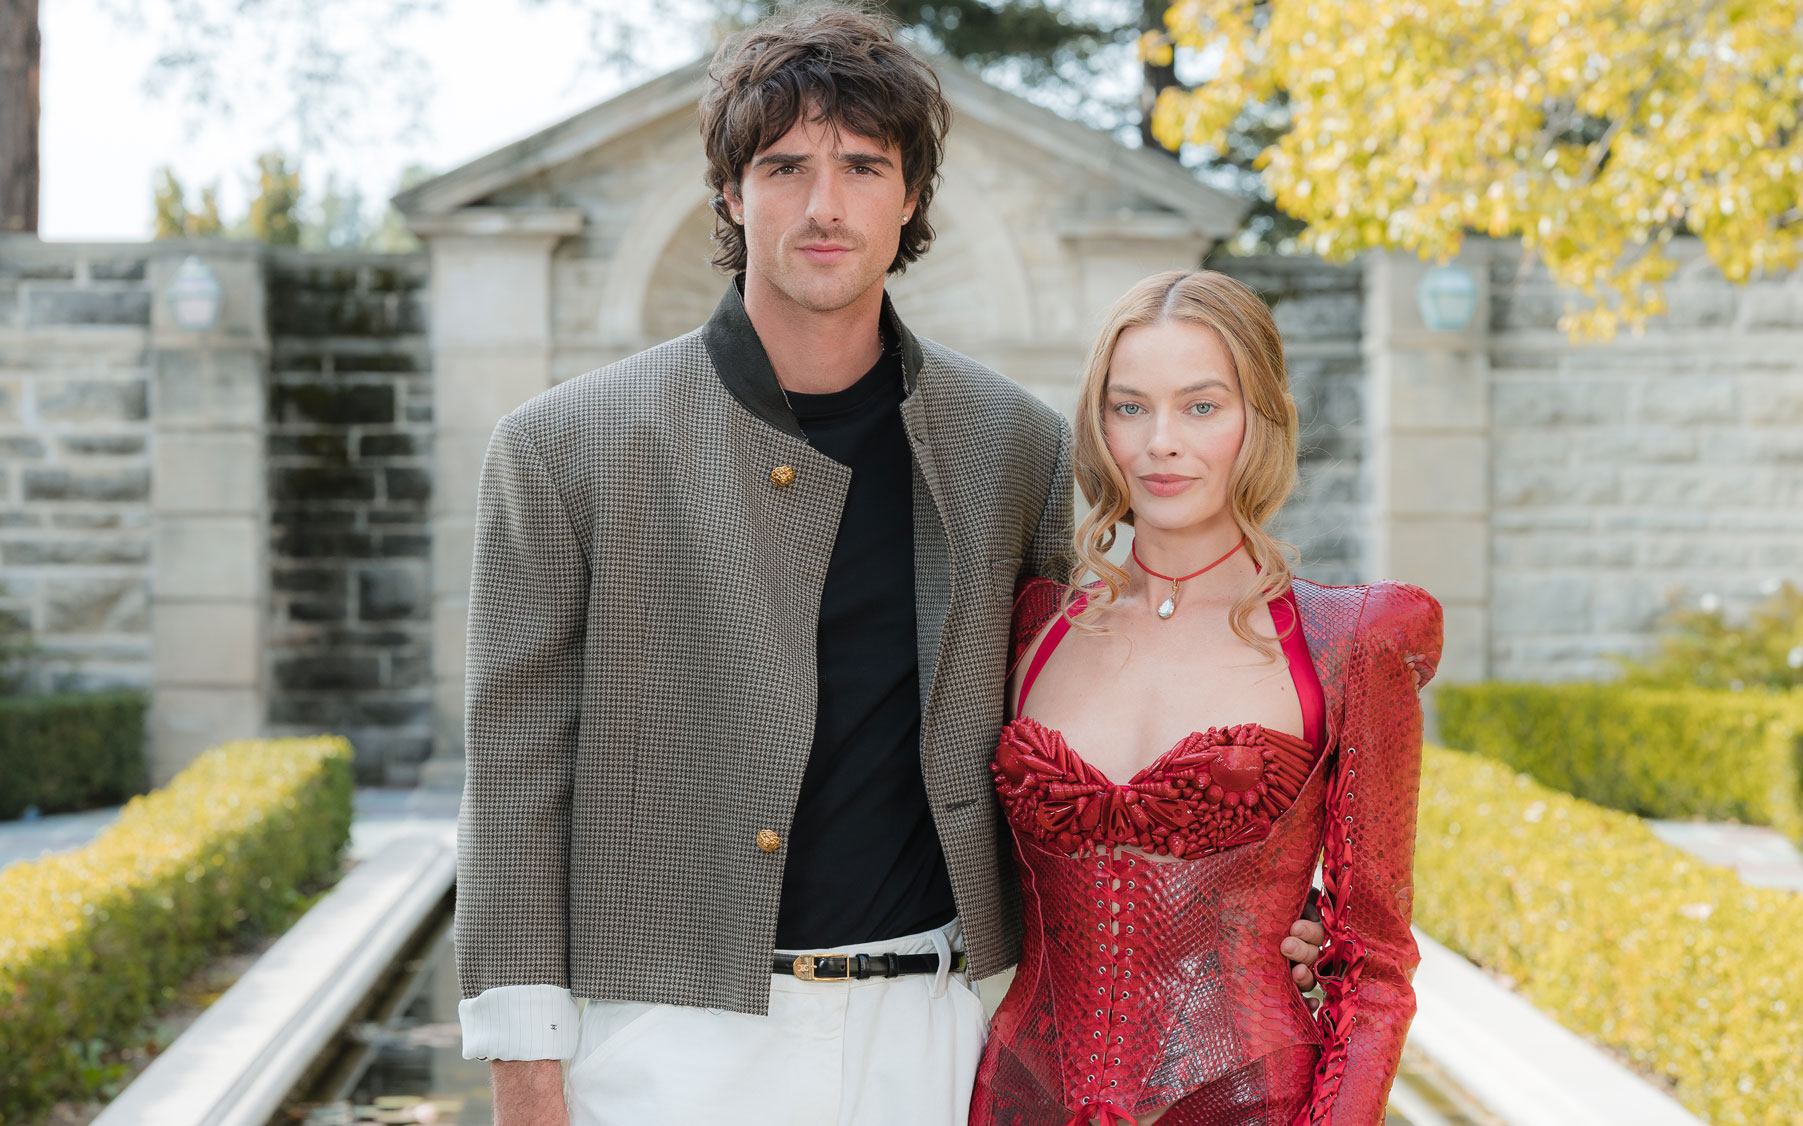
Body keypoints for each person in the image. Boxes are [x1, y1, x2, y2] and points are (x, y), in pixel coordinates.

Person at [453, 9, 1327, 1125]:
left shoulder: (1011, 444)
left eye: (863, 166)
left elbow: (1070, 736)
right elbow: (516, 777)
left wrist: (1248, 904)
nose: (825, 204)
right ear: (730, 193)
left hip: (936, 1038)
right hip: (668, 1046)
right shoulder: (561, 448)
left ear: (910, 196)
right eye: (785, 167)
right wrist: (525, 1074)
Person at [970, 269, 1442, 1126]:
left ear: (1259, 419)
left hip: (1246, 1102)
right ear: (1099, 425)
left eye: (1200, 407)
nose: (1162, 443)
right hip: (1018, 1099)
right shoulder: (1030, 628)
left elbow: (1375, 972)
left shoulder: (1344, 644)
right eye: (1130, 407)